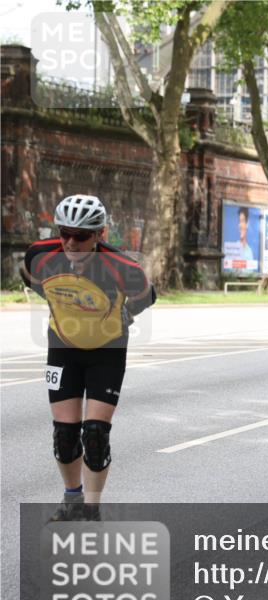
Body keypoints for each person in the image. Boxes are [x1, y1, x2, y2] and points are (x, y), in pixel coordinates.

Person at [22, 194, 155, 521]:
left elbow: (146, 296)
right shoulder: (40, 254)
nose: (70, 242)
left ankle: (92, 510)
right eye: (64, 232)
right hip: (63, 347)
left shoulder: (123, 267)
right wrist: (62, 306)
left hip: (107, 352)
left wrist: (125, 315)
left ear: (99, 234)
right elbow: (31, 278)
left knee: (95, 435)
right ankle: (72, 501)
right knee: (64, 436)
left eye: (80, 236)